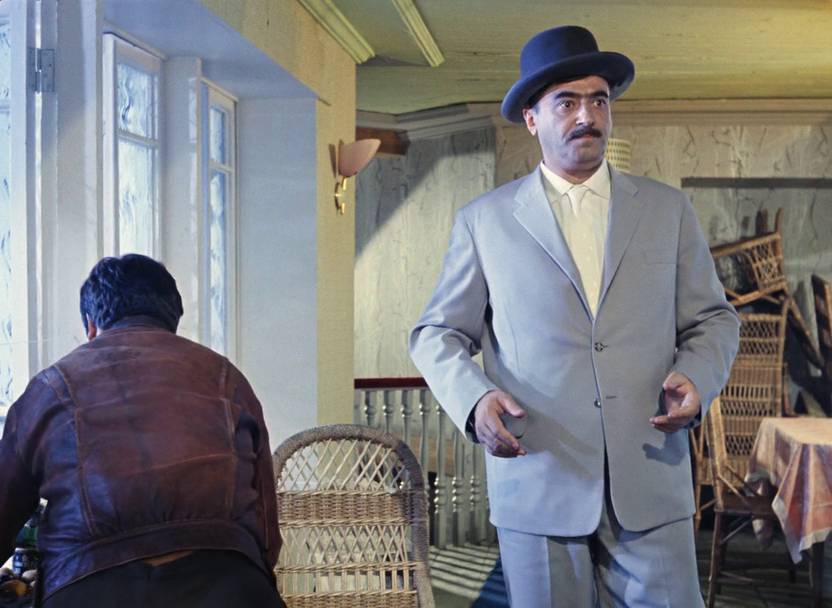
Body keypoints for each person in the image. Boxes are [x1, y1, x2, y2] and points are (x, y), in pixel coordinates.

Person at [410, 25, 740, 607]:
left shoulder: (668, 210)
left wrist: (698, 376)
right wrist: (475, 401)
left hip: (651, 477)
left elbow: (714, 319)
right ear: (531, 119)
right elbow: (436, 333)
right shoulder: (484, 222)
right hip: (539, 478)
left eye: (599, 100)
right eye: (566, 102)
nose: (587, 116)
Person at [0, 254, 285, 608]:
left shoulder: (50, 388)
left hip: (90, 590)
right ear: (171, 322)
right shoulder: (228, 379)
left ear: (91, 325)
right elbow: (268, 535)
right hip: (231, 587)